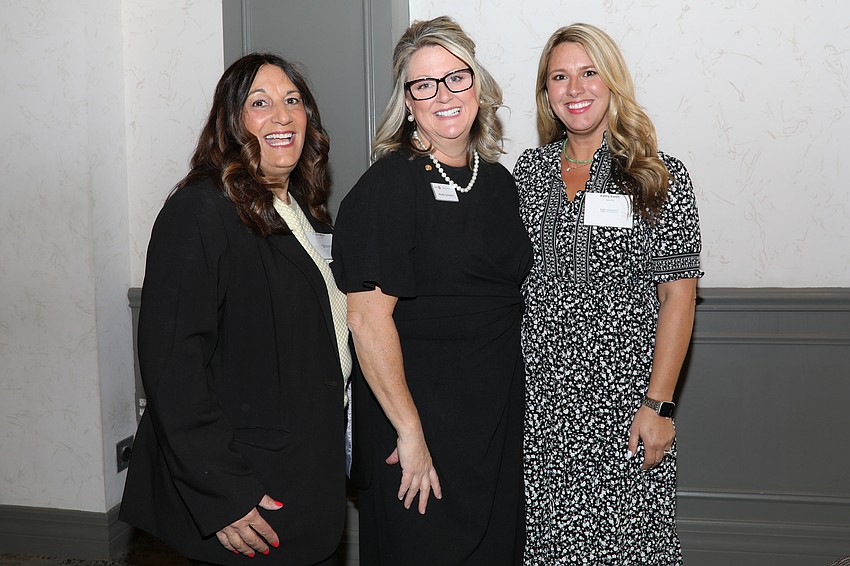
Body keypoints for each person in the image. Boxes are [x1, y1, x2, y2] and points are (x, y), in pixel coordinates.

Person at [119, 53, 350, 566]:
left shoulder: (302, 210)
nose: (283, 116)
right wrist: (221, 494)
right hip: (245, 490)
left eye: (293, 101)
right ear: (231, 121)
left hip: (299, 469)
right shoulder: (200, 210)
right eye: (260, 103)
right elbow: (171, 366)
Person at [331, 16, 532, 565]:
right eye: (424, 84)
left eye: (456, 77)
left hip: (490, 423)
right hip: (416, 425)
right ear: (408, 100)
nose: (443, 94)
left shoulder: (498, 183)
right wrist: (411, 434)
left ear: (478, 84)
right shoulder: (390, 185)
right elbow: (368, 323)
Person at [513, 23, 703, 565]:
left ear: (612, 81)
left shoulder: (657, 176)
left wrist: (659, 405)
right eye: (560, 77)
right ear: (546, 93)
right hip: (542, 411)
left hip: (624, 411)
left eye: (589, 73)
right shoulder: (526, 175)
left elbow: (679, 298)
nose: (575, 89)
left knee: (629, 548)